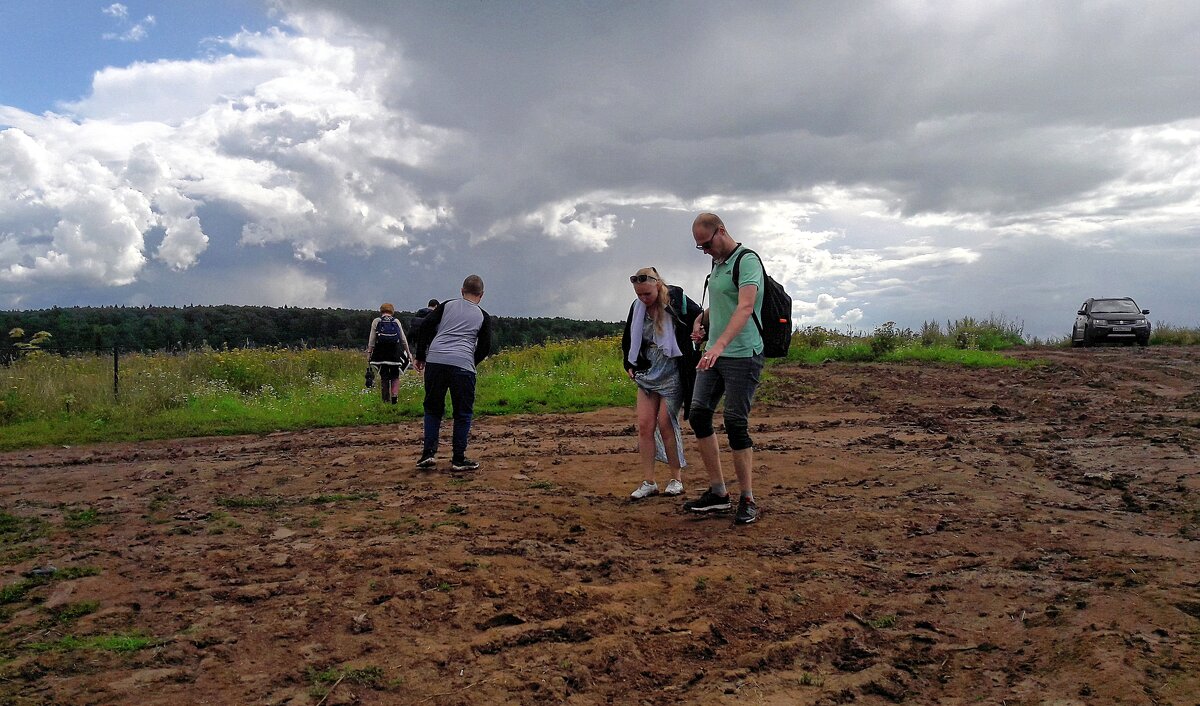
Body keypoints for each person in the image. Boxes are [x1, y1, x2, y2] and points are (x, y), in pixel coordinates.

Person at [683, 213, 766, 525]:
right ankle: (719, 494)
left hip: (743, 354)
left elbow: (745, 307)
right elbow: (721, 305)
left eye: (707, 244)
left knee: (734, 422)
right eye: (700, 248)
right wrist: (701, 322)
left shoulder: (747, 261)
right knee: (699, 414)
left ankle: (747, 498)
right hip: (714, 354)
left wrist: (719, 346)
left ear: (720, 232)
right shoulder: (717, 265)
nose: (705, 251)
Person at [620, 267, 700, 500]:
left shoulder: (676, 302)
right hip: (647, 369)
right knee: (645, 425)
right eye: (639, 295)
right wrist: (629, 363)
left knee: (665, 422)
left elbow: (698, 316)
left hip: (672, 369)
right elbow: (629, 338)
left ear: (658, 286)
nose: (644, 299)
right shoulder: (636, 308)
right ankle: (649, 481)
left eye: (648, 294)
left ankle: (676, 479)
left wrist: (698, 331)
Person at [413, 275, 493, 471]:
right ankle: (458, 458)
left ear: (461, 291)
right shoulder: (484, 316)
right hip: (463, 365)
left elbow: (426, 325)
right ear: (481, 295)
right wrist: (469, 363)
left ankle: (428, 454)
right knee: (463, 413)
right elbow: (484, 347)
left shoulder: (447, 305)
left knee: (432, 408)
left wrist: (421, 355)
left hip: (436, 361)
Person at [366, 303, 413, 404]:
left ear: (381, 310)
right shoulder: (396, 321)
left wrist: (369, 353)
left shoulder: (377, 321)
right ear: (392, 311)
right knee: (395, 376)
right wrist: (408, 352)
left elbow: (372, 339)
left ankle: (385, 400)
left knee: (384, 377)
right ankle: (394, 398)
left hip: (381, 353)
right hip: (394, 353)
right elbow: (403, 339)